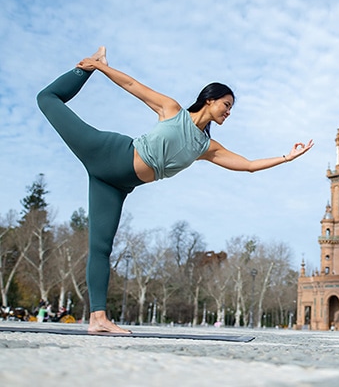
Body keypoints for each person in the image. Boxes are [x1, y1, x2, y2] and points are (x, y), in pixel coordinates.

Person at [37, 47, 313, 334]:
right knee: (47, 99)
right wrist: (98, 67)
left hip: (115, 185)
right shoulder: (172, 110)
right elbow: (132, 86)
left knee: (101, 248)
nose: (229, 112)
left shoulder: (206, 148)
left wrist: (286, 157)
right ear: (210, 99)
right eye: (226, 105)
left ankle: (98, 319)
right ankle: (83, 70)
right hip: (107, 153)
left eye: (231, 108)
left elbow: (249, 165)